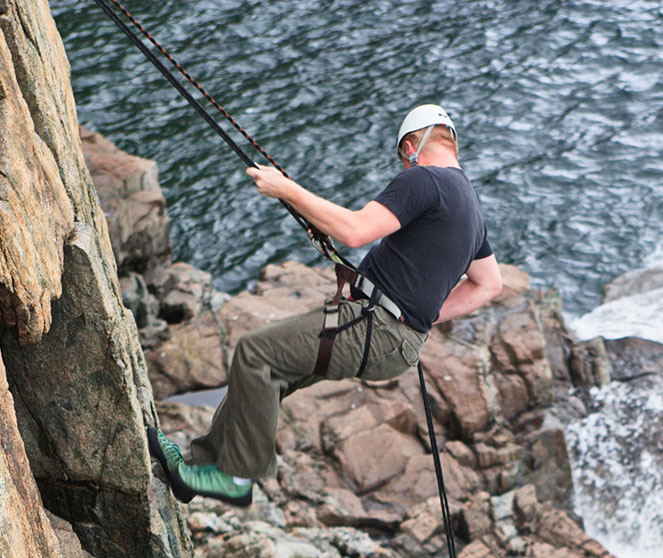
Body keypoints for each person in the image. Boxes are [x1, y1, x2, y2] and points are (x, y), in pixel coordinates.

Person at [147, 104, 502, 506]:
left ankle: (235, 478)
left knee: (255, 354)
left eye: (403, 162)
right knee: (271, 374)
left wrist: (287, 190)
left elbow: (355, 230)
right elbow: (488, 284)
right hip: (392, 337)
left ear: (410, 147)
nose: (404, 169)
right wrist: (425, 310)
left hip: (376, 326)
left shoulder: (424, 180)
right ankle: (201, 466)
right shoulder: (471, 208)